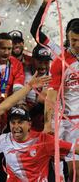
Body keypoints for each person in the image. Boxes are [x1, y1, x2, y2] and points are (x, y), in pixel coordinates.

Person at [0, 107, 79, 182]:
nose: (16, 126)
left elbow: (74, 148)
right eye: (13, 123)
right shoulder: (4, 139)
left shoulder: (43, 140)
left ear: (29, 124)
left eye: (20, 122)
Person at [44, 20, 79, 181]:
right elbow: (51, 96)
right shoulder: (61, 62)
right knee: (71, 173)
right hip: (69, 123)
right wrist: (47, 123)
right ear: (68, 38)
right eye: (73, 40)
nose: (77, 44)